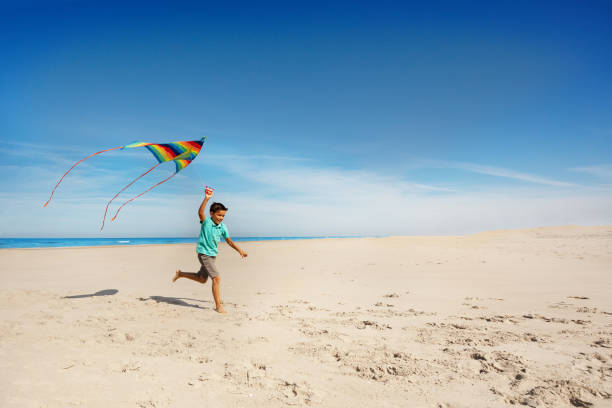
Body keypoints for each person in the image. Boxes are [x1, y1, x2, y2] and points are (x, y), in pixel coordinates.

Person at [172, 187, 247, 313]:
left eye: (223, 216)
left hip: (212, 255)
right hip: (203, 254)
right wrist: (206, 199)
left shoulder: (223, 227)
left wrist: (240, 250)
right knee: (216, 278)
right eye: (219, 215)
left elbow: (229, 241)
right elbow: (200, 213)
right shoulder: (206, 222)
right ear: (212, 214)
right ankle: (218, 306)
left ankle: (181, 274)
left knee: (202, 279)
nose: (221, 218)